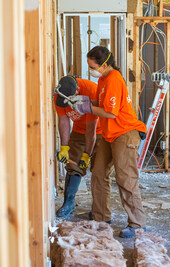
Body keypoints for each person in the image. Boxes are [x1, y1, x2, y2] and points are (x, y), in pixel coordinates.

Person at [65, 46, 147, 238]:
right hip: (111, 135)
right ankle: (101, 217)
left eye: (92, 66)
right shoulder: (102, 79)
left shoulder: (113, 79)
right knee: (98, 173)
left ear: (103, 64)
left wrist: (87, 108)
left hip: (125, 133)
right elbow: (102, 105)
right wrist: (85, 102)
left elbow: (111, 112)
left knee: (126, 179)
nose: (90, 70)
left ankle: (137, 224)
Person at [54, 75, 103, 219]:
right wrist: (64, 147)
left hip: (100, 132)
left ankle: (99, 211)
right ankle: (68, 204)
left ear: (76, 93)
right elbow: (63, 121)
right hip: (78, 131)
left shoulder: (90, 90)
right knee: (73, 166)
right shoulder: (59, 96)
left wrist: (86, 155)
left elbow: (91, 130)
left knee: (99, 171)